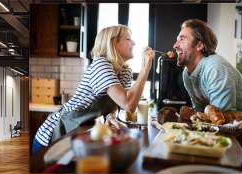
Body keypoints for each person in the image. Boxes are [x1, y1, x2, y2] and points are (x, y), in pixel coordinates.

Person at [32, 25, 154, 154]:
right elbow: (129, 104)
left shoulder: (125, 71)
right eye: (128, 39)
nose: (133, 43)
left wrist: (110, 116)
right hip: (54, 133)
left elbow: (118, 105)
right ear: (113, 43)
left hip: (79, 130)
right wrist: (145, 68)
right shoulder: (100, 65)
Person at [173, 19, 242, 113]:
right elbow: (199, 112)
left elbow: (222, 118)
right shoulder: (186, 74)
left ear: (199, 45)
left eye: (182, 39)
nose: (175, 45)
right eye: (177, 40)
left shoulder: (215, 67)